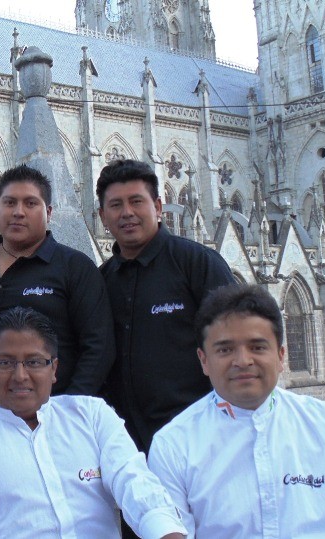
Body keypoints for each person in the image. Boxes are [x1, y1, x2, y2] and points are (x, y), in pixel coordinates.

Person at [148, 284, 325, 538]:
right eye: (225, 349)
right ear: (204, 360)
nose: (243, 361)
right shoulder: (174, 445)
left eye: (257, 347)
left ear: (281, 356)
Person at [0, 306, 187, 539]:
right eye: (5, 363)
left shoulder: (91, 416)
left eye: (33, 362)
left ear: (54, 369)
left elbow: (135, 484)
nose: (20, 376)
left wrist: (167, 532)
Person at [97, 159, 235, 452]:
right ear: (102, 216)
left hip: (200, 442)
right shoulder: (102, 280)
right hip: (130, 447)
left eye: (137, 201)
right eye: (116, 205)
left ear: (158, 207)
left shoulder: (197, 264)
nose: (127, 213)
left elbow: (235, 343)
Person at [0, 164, 114, 412]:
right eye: (9, 203)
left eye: (30, 203)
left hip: (56, 417)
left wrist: (70, 411)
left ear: (48, 212)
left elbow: (99, 347)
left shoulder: (75, 267)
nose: (18, 212)